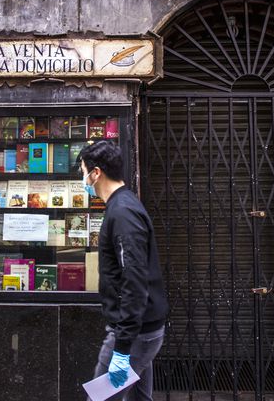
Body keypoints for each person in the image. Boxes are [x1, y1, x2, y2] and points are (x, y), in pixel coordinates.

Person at [79, 141, 168, 401]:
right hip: (141, 330)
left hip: (135, 334)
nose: (82, 178)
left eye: (83, 170)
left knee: (101, 398)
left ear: (96, 173)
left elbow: (134, 279)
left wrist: (123, 346)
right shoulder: (124, 205)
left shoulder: (123, 213)